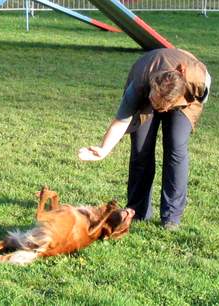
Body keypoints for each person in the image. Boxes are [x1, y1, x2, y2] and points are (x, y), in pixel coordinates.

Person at [78, 48, 211, 231]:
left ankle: (171, 217)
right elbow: (121, 120)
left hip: (185, 99)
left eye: (158, 104)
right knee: (141, 149)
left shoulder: (197, 79)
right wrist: (103, 149)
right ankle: (137, 211)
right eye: (152, 99)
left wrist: (180, 107)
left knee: (176, 146)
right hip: (148, 76)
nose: (153, 103)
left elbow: (201, 97)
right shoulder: (141, 85)